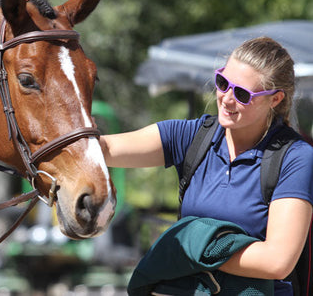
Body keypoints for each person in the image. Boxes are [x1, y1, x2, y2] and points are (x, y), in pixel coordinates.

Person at [100, 37, 313, 295]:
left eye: (243, 94)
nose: (226, 99)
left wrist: (193, 246)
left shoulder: (296, 157)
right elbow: (105, 150)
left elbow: (277, 261)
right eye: (223, 83)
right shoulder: (192, 137)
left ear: (275, 99)